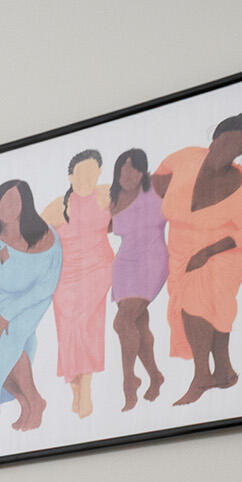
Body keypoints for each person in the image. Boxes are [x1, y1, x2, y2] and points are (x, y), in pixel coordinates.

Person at [153, 112, 242, 405]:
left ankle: (201, 376)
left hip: (226, 250)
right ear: (214, 138)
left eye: (234, 146)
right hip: (181, 246)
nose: (224, 149)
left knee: (198, 303)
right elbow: (159, 176)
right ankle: (224, 371)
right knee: (201, 307)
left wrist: (207, 252)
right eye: (221, 141)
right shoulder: (187, 158)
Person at [0, 179, 62, 431]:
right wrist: (0, 260)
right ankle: (27, 403)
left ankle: (35, 399)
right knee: (3, 355)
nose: (8, 208)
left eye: (14, 202)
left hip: (29, 302)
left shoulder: (45, 237)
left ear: (26, 203)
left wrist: (9, 313)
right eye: (2, 202)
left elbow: (45, 287)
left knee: (9, 338)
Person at [40, 150, 113, 418]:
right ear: (71, 176)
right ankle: (76, 389)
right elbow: (34, 237)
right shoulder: (57, 206)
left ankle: (86, 389)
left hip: (98, 272)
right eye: (82, 172)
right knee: (69, 335)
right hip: (66, 279)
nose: (88, 177)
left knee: (89, 332)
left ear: (100, 173)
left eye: (93, 171)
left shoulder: (106, 195)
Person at [106, 147, 167, 409]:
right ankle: (155, 375)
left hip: (152, 260)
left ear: (143, 170)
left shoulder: (156, 185)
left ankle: (129, 380)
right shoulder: (114, 198)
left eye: (133, 167)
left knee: (122, 322)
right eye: (123, 167)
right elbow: (102, 228)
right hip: (124, 264)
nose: (127, 172)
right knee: (137, 325)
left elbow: (190, 178)